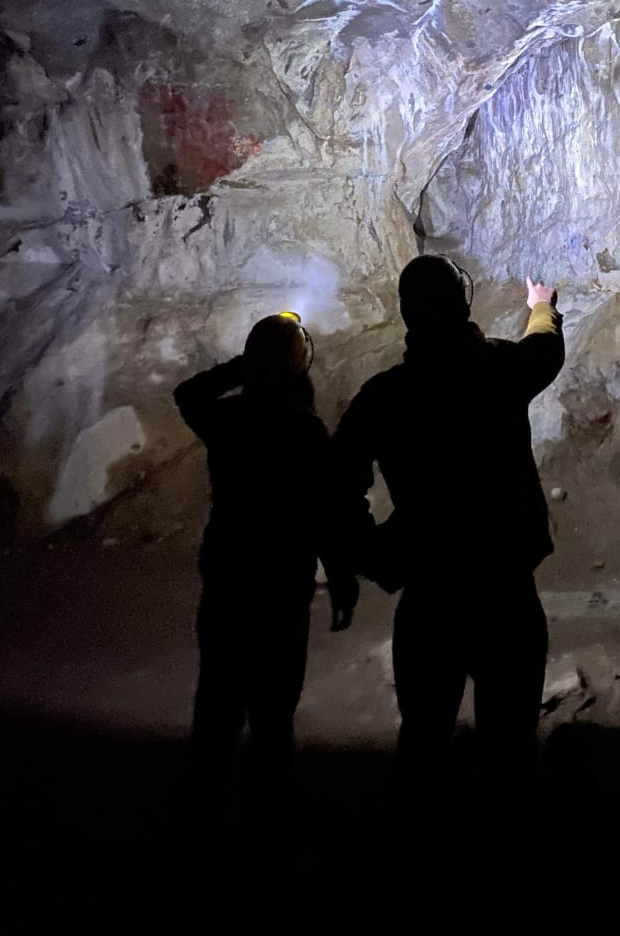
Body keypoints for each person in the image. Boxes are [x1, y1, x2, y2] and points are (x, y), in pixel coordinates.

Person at [333, 257, 564, 813]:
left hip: (430, 595)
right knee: (508, 755)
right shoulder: (499, 369)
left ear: (408, 314)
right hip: (504, 593)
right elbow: (545, 350)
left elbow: (334, 488)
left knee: (423, 745)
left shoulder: (385, 395)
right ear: (462, 307)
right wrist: (540, 306)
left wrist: (372, 554)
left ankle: (420, 867)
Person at [174, 313, 359, 828]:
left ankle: (199, 822)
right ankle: (265, 833)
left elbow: (188, 393)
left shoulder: (229, 419)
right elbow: (325, 516)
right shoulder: (306, 430)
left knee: (216, 707)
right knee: (273, 719)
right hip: (280, 588)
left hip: (230, 581)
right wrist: (342, 582)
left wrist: (246, 367)